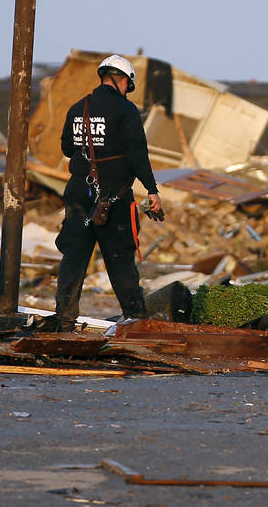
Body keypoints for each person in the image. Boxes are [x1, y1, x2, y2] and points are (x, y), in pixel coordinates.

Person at [52, 55, 164, 331]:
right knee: (120, 259)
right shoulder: (125, 111)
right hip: (113, 196)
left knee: (74, 257)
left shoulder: (79, 108)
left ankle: (64, 322)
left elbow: (67, 148)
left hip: (79, 193)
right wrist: (152, 190)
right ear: (124, 80)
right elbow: (138, 155)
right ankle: (137, 319)